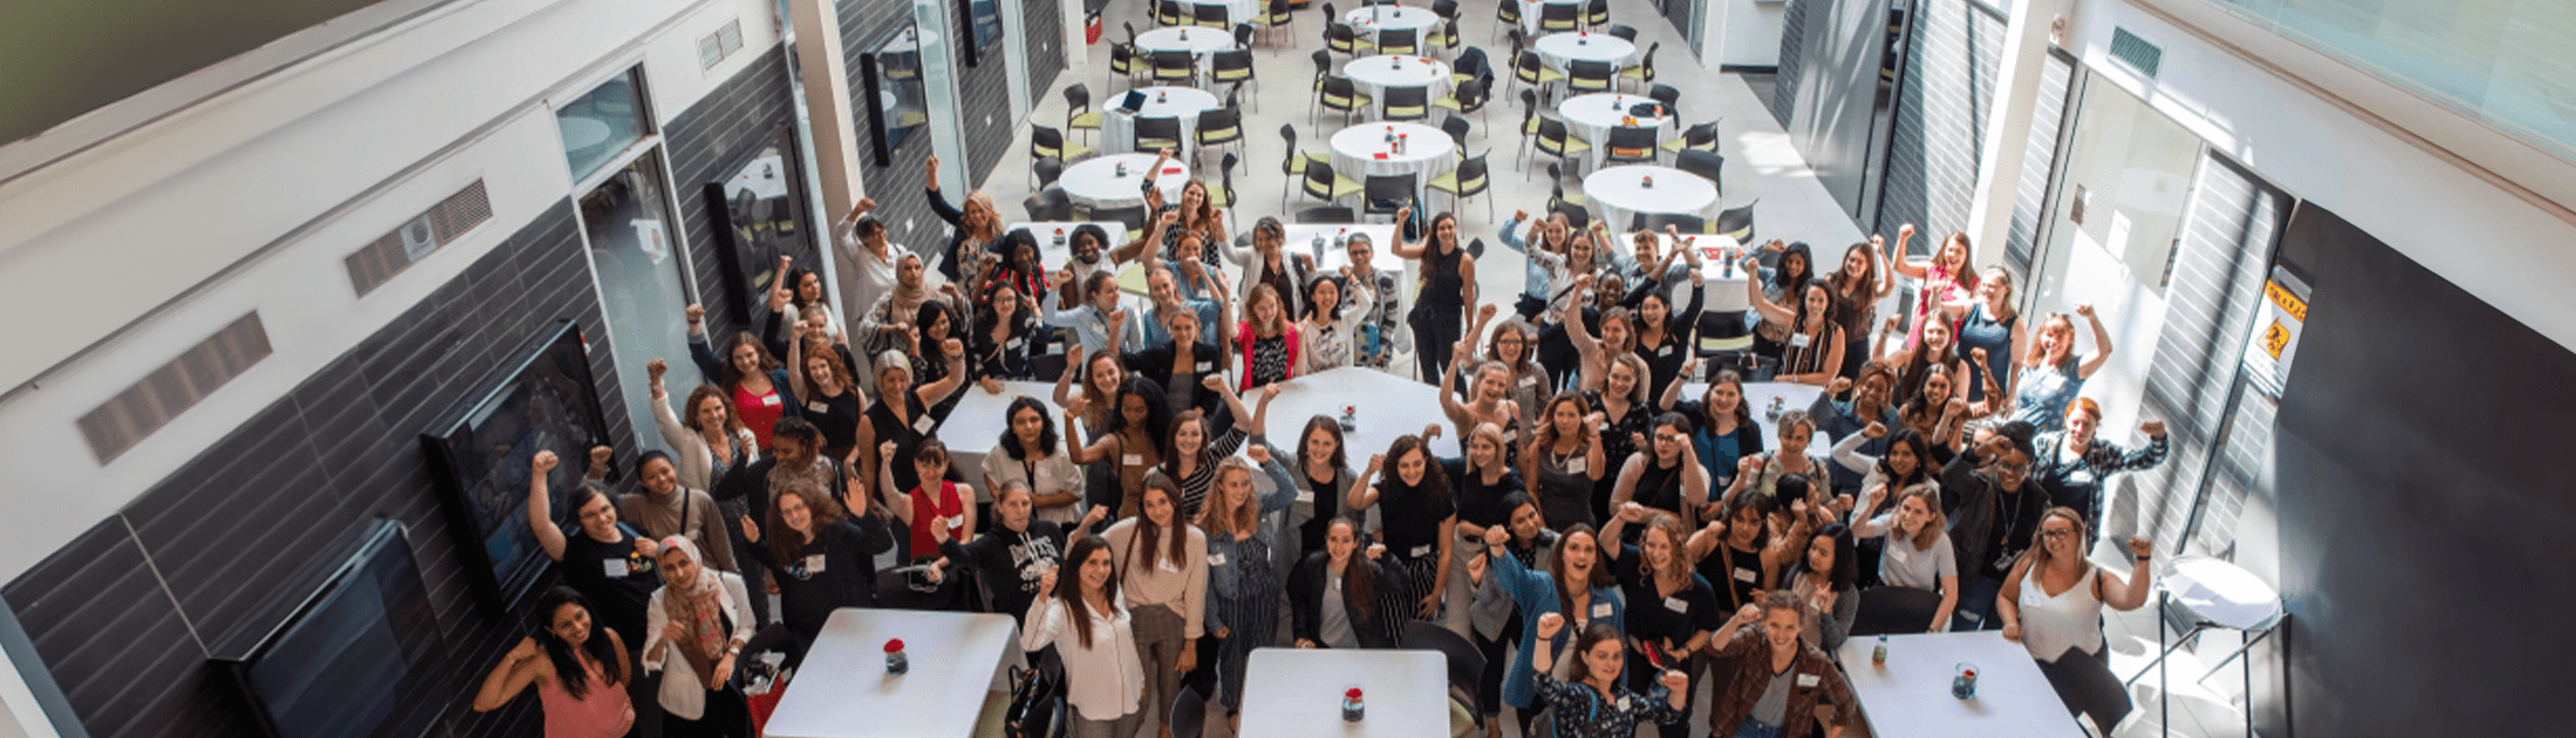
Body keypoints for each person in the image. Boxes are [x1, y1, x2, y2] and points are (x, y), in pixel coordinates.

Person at [1998, 511, 2157, 733]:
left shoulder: (2097, 578)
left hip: (2074, 672)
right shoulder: (2029, 566)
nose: (2054, 540)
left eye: (2062, 533)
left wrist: (2142, 561)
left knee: (2053, 723)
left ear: (2079, 534)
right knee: (2024, 715)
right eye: (2048, 534)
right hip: (2032, 662)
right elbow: (2006, 597)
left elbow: (2132, 600)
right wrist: (2010, 622)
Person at [1483, 521, 1622, 738]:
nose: (1581, 556)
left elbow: (1619, 654)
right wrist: (1498, 549)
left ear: (1596, 558)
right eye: (1574, 548)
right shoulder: (1543, 587)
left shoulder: (1609, 599)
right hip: (1539, 696)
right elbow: (1517, 579)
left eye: (1589, 550)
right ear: (1561, 554)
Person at [1195, 445, 1297, 729]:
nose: (1241, 491)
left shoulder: (1260, 506)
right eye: (1234, 485)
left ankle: (1259, 696)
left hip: (1264, 593)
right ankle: (1233, 706)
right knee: (1233, 655)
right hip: (1232, 601)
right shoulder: (1205, 528)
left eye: (1245, 484)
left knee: (1262, 648)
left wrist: (1268, 462)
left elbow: (1290, 492)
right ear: (1220, 488)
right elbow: (1203, 583)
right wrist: (1213, 621)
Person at [737, 478, 892, 666]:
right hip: (809, 635)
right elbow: (771, 559)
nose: (795, 516)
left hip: (850, 624)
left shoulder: (836, 530)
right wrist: (754, 543)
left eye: (799, 507)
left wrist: (863, 516)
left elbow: (883, 544)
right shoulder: (783, 541)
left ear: (812, 505)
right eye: (787, 512)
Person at [1098, 477, 1208, 737]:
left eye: (1163, 502)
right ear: (1142, 508)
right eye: (1149, 505)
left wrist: (1191, 645)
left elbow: (1195, 593)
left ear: (1175, 501)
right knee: (1138, 689)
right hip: (1136, 618)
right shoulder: (1126, 531)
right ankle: (1127, 731)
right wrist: (1085, 527)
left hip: (1173, 618)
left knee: (1171, 683)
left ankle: (1166, 729)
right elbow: (1089, 552)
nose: (1157, 511)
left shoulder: (1195, 539)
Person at [1597, 507, 1719, 738]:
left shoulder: (1698, 588)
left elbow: (1707, 629)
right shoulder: (1636, 565)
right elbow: (1606, 540)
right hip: (1634, 662)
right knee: (1624, 721)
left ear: (1678, 548)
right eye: (1651, 545)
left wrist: (1684, 652)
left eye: (1664, 546)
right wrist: (1622, 517)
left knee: (1674, 726)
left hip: (1674, 666)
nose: (1656, 553)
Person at [527, 451, 659, 657]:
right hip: (632, 651)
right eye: (590, 515)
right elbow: (542, 526)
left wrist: (659, 551)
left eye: (605, 509)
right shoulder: (578, 554)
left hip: (670, 633)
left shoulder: (634, 531)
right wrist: (539, 475)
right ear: (578, 520)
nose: (602, 519)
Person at [1022, 537, 1149, 738]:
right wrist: (1043, 597)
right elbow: (1030, 643)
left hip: (1129, 697)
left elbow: (1128, 643)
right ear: (1076, 566)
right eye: (1093, 563)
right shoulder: (1061, 609)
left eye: (1106, 563)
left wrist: (1140, 682)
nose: (1101, 571)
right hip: (1093, 709)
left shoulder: (1114, 593)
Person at [472, 587, 635, 738]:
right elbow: (483, 704)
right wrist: (512, 657)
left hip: (627, 731)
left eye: (580, 616)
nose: (578, 627)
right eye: (566, 625)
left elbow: (624, 680)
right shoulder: (543, 661)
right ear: (552, 630)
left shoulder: (609, 638)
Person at [1702, 591, 1861, 738]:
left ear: (1801, 627)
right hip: (1745, 725)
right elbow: (1714, 648)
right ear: (1763, 623)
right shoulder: (1755, 638)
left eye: (1790, 628)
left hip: (1787, 733)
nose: (1781, 635)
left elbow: (1847, 703)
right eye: (1774, 625)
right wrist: (1736, 621)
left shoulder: (1817, 662)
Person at [1941, 421, 2049, 631]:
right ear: (1996, 462)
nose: (2010, 473)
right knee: (1962, 634)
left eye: (2019, 468)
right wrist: (1984, 449)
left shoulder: (2037, 499)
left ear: (2031, 467)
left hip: (2011, 586)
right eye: (2004, 465)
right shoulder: (1979, 485)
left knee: (1995, 639)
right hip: (1976, 578)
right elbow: (1950, 476)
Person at [641, 537, 755, 738]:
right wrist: (663, 640)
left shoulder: (729, 583)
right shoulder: (659, 601)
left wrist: (731, 656)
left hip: (730, 686)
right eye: (669, 568)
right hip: (688, 700)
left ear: (696, 557)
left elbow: (748, 625)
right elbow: (652, 661)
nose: (679, 574)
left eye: (684, 563)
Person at [1464, 494, 1557, 738]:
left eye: (1533, 515)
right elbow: (1485, 599)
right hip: (1494, 616)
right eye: (1520, 520)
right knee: (1492, 674)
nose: (1530, 523)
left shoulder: (1555, 545)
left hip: (1532, 617)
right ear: (1508, 526)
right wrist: (1476, 581)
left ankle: (1532, 729)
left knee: (1532, 673)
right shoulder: (1497, 550)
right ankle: (1493, 728)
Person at [942, 482, 1096, 625]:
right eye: (1012, 504)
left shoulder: (1050, 530)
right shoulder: (990, 544)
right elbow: (962, 557)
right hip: (1021, 623)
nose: (1020, 511)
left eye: (1025, 503)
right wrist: (944, 540)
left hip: (1059, 617)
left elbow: (1067, 559)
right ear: (1000, 507)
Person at [1348, 431, 1461, 623]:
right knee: (1392, 622)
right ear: (1395, 466)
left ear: (1427, 461)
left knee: (1421, 625)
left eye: (1417, 464)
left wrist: (1437, 594)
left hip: (1425, 569)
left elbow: (1446, 551)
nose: (1412, 471)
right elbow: (1355, 502)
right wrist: (1368, 472)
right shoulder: (1386, 488)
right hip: (1392, 565)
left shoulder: (1442, 496)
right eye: (1404, 465)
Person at [1529, 613, 1692, 738]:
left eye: (1617, 656)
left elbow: (1666, 715)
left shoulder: (1623, 697)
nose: (1611, 664)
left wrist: (1680, 690)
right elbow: (1545, 685)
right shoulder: (1578, 696)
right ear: (1585, 658)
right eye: (1602, 656)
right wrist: (1543, 638)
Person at [2030, 399, 2169, 541]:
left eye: (2087, 424)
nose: (2080, 430)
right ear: (2066, 420)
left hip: (2072, 540)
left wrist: (2159, 437)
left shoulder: (2102, 454)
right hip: (2035, 530)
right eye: (2076, 423)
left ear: (2096, 426)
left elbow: (2147, 459)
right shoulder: (2044, 444)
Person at [856, 344, 969, 500]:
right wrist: (868, 507)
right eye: (891, 380)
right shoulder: (869, 422)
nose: (898, 386)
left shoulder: (920, 398)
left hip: (936, 485)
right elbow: (868, 469)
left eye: (902, 379)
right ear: (879, 380)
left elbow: (954, 380)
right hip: (903, 497)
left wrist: (957, 358)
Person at [1442, 422, 1525, 636]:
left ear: (1499, 449)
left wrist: (1476, 530)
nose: (1479, 453)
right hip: (1462, 553)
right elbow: (1432, 463)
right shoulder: (1466, 470)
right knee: (1455, 623)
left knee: (1485, 624)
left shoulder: (1512, 483)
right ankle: (1457, 668)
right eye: (1475, 447)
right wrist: (1426, 435)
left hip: (1493, 558)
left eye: (1486, 447)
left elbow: (1516, 528)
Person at [1151, 378, 1270, 518]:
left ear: (1203, 438)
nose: (1189, 440)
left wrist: (1225, 390)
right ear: (1173, 438)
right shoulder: (1161, 475)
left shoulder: (1213, 456)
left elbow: (1244, 425)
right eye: (1182, 434)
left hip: (1214, 533)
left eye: (1195, 434)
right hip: (1181, 534)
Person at [686, 305, 798, 451]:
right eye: (738, 358)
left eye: (749, 355)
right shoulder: (728, 380)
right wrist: (694, 323)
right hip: (753, 456)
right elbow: (702, 357)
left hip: (788, 451)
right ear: (732, 360)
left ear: (759, 353)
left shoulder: (781, 378)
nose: (745, 362)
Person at [1289, 515, 1411, 649]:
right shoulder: (1313, 565)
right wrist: (1302, 635)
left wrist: (1387, 558)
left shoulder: (1367, 568)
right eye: (1333, 539)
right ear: (1326, 540)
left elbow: (1401, 585)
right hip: (1323, 649)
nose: (1338, 547)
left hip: (1360, 652)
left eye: (1346, 540)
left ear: (1355, 543)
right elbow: (1301, 603)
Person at [1848, 486, 1958, 634]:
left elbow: (1951, 594)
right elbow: (1855, 532)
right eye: (1906, 508)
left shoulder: (1942, 542)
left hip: (1918, 602)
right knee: (1879, 645)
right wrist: (1871, 507)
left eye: (1918, 512)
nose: (1908, 516)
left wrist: (1933, 630)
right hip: (1885, 594)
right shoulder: (1892, 521)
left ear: (1931, 517)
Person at [1064, 376, 1176, 519]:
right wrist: (1069, 419)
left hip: (1166, 513)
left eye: (1139, 410)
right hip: (1131, 516)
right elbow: (1079, 457)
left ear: (1151, 408)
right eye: (1127, 409)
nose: (1132, 416)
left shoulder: (1165, 435)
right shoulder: (1115, 441)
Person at [616, 448, 737, 574]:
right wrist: (598, 469)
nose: (662, 479)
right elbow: (598, 500)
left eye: (665, 471)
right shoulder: (634, 505)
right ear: (642, 482)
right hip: (668, 586)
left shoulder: (700, 500)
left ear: (674, 468)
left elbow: (722, 547)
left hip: (705, 579)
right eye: (652, 477)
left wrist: (734, 577)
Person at [648, 358, 759, 492]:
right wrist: (656, 383)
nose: (714, 415)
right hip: (711, 510)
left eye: (718, 408)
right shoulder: (689, 441)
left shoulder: (744, 435)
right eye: (706, 411)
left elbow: (756, 474)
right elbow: (664, 418)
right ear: (696, 416)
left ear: (726, 410)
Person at [1395, 209, 1479, 383]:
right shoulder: (1428, 251)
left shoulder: (1465, 259)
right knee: (1427, 366)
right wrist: (1400, 222)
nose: (1446, 232)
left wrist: (1471, 329)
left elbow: (1468, 298)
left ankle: (1459, 403)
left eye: (1450, 227)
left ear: (1455, 230)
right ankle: (1433, 403)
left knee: (1450, 366)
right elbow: (1397, 250)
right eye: (1442, 228)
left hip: (1448, 317)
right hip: (1424, 313)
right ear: (1435, 232)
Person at [2002, 305, 2114, 432]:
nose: (2054, 342)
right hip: (2012, 436)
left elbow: (2105, 351)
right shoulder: (2032, 365)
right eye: (2049, 335)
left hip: (2041, 445)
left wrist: (2091, 317)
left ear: (2070, 340)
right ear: (2041, 336)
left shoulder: (2074, 369)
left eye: (2060, 337)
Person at [1118, 293, 1230, 419]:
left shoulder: (1210, 355)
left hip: (1197, 420)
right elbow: (1127, 361)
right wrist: (1115, 328)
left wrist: (1192, 418)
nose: (1183, 333)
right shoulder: (1159, 354)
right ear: (1170, 330)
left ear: (1197, 328)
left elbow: (1213, 395)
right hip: (1162, 421)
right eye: (1177, 328)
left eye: (1188, 328)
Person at [984, 397, 1089, 527]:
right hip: (1017, 526)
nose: (1028, 427)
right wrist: (1000, 497)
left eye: (1034, 420)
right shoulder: (1001, 453)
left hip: (1059, 525)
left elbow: (1077, 493)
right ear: (1012, 427)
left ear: (1044, 422)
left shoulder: (1061, 454)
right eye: (1020, 422)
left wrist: (1041, 501)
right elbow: (989, 473)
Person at [1745, 258, 1845, 387]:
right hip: (1785, 389)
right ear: (1804, 300)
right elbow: (1759, 304)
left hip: (1813, 393)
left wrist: (1792, 379)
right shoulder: (1792, 321)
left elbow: (1827, 377)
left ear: (1828, 303)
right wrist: (1752, 274)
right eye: (1811, 299)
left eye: (1821, 301)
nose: (1816, 305)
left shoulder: (1836, 333)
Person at [1664, 364, 1764, 491]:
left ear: (1740, 398)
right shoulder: (1697, 414)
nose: (1724, 400)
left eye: (1731, 394)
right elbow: (1666, 405)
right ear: (1710, 392)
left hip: (1731, 500)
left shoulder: (1750, 429)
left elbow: (1756, 470)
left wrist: (1722, 504)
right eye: (1719, 392)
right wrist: (1682, 377)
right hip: (1690, 493)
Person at [879, 438, 975, 565]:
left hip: (959, 567)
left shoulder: (965, 492)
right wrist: (885, 463)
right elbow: (890, 493)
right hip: (926, 572)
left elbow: (967, 540)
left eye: (937, 466)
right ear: (916, 465)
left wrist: (940, 565)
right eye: (925, 466)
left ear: (946, 465)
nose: (931, 472)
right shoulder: (910, 503)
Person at [1807, 365, 1898, 498]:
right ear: (1860, 386)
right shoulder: (1839, 412)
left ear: (1886, 395)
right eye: (1869, 385)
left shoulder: (1891, 416)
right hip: (1841, 490)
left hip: (1875, 489)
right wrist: (1831, 390)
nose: (1872, 392)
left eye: (1880, 390)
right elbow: (1809, 423)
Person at [1611, 413, 1711, 531]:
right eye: (1660, 437)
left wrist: (1688, 450)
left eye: (1671, 439)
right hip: (1635, 538)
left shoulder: (1695, 470)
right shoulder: (1638, 462)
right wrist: (1662, 516)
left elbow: (1698, 500)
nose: (1664, 444)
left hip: (1674, 543)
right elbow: (1615, 507)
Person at [1524, 391, 1607, 531]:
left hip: (1580, 528)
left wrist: (1595, 435)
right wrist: (1542, 526)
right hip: (1546, 525)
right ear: (1553, 416)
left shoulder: (1589, 449)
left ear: (1582, 418)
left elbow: (1596, 475)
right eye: (1560, 415)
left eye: (1571, 415)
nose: (1565, 421)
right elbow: (1532, 490)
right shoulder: (1541, 446)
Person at [1889, 224, 1980, 352]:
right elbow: (1900, 267)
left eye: (1959, 251)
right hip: (1917, 339)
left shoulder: (1974, 284)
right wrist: (1903, 238)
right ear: (1944, 251)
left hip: (1943, 347)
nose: (1953, 255)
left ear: (1967, 255)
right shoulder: (1932, 269)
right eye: (1950, 250)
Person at [1722, 410, 1833, 511]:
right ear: (1779, 435)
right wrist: (1742, 478)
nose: (1792, 444)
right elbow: (1729, 503)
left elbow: (1825, 505)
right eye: (1788, 437)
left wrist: (1838, 505)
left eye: (1800, 439)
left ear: (1809, 440)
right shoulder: (1759, 463)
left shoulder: (1818, 468)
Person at [782, 329, 866, 460]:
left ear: (832, 366)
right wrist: (796, 339)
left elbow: (865, 431)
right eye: (813, 368)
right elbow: (793, 372)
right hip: (823, 459)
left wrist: (852, 459)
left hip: (856, 455)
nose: (819, 373)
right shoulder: (807, 395)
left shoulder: (854, 392)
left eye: (823, 366)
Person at [922, 155, 1006, 280]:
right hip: (960, 281)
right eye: (972, 212)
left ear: (989, 210)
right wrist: (931, 172)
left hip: (986, 285)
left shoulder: (998, 236)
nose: (977, 216)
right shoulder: (963, 223)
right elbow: (938, 204)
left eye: (981, 210)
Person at [1779, 523, 1858, 651]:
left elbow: (1836, 642)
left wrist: (1826, 613)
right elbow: (1781, 605)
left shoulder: (1847, 593)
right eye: (1813, 548)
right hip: (1784, 645)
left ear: (1839, 558)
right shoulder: (1798, 572)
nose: (1814, 556)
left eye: (1823, 553)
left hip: (1814, 656)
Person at [1951, 266, 2024, 404]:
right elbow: (1940, 310)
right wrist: (1935, 293)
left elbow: (2017, 364)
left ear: (2006, 289)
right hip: (1957, 390)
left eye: (1992, 286)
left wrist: (2011, 397)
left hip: (1987, 399)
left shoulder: (2016, 324)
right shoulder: (1971, 308)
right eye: (1984, 285)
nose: (1986, 290)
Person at [1825, 238, 1896, 380]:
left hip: (1855, 348)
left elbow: (1889, 287)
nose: (1853, 265)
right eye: (1851, 260)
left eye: (1860, 262)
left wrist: (1881, 253)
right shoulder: (1831, 280)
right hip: (1829, 342)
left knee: (1848, 390)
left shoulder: (1871, 289)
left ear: (1867, 266)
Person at [830, 197, 908, 323]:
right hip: (875, 318)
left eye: (882, 230)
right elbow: (841, 235)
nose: (881, 236)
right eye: (875, 234)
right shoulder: (859, 255)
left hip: (903, 311)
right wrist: (856, 212)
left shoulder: (899, 251)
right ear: (863, 239)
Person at [1342, 232, 1407, 371]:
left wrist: (1383, 345)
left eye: (1364, 251)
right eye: (1354, 253)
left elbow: (1392, 316)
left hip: (1375, 347)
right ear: (1349, 255)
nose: (1359, 257)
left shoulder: (1384, 281)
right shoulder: (1342, 281)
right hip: (1349, 349)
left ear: (1372, 253)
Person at [1294, 270, 1373, 375]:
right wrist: (1300, 336)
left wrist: (1351, 277)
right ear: (1313, 297)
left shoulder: (1345, 319)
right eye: (1322, 292)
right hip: (1319, 385)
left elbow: (1366, 304)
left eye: (1332, 292)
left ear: (1338, 296)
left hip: (1345, 382)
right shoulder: (1305, 327)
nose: (1328, 297)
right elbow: (1301, 373)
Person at [969, 278, 1043, 384]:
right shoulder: (980, 325)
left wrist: (1035, 308)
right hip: (989, 382)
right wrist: (983, 378)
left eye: (1010, 299)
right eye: (999, 299)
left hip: (1020, 381)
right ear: (992, 303)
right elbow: (972, 355)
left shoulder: (1024, 321)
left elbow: (1044, 334)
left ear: (1016, 301)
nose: (1005, 304)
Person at [1044, 271, 1130, 355]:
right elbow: (1050, 318)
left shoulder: (1127, 311)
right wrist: (1055, 285)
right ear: (1095, 295)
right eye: (1110, 291)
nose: (1116, 294)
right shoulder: (1083, 315)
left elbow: (1137, 349)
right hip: (1092, 367)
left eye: (1117, 289)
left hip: (1119, 367)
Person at [1234, 283, 1300, 388]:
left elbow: (1295, 365)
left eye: (1272, 306)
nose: (1268, 312)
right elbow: (1233, 332)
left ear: (1278, 305)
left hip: (1282, 387)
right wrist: (1226, 293)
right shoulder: (1247, 327)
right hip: (1254, 389)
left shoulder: (1290, 329)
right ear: (1253, 309)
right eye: (1262, 308)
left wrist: (1301, 336)